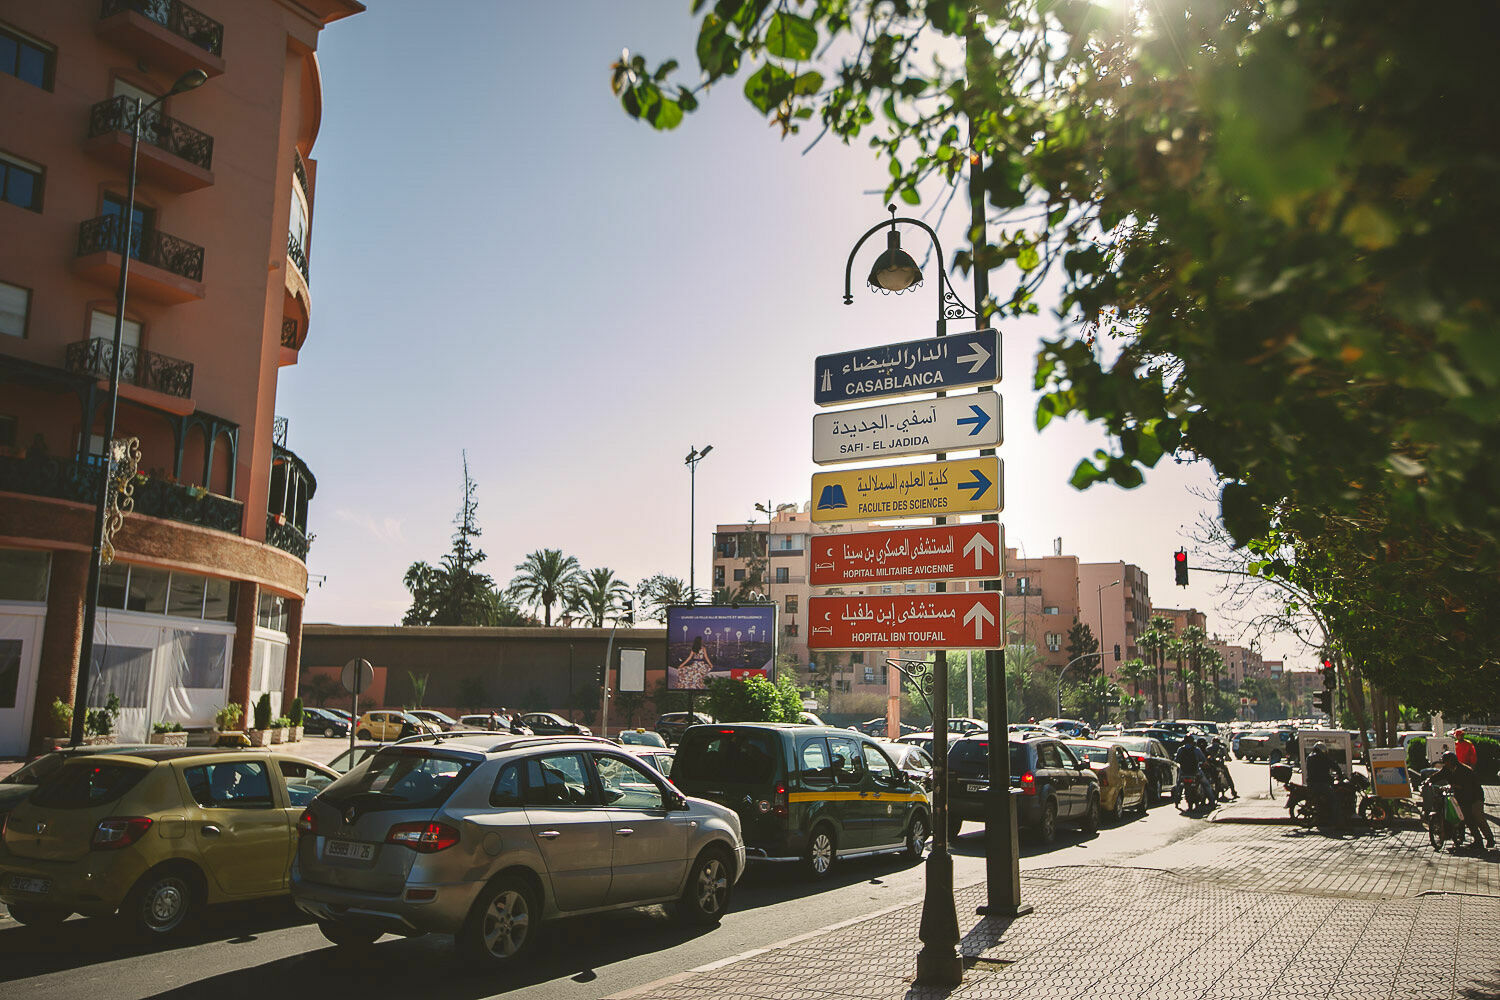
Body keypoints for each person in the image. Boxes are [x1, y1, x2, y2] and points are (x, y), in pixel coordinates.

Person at [1427, 750, 1495, 850]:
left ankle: (1490, 839)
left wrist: (1457, 786)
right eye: (1444, 762)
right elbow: (1438, 775)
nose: (1445, 764)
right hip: (1462, 796)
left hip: (1475, 796)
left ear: (1452, 761)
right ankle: (1477, 840)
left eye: (1447, 762)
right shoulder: (1447, 769)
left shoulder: (1465, 770)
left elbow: (1469, 786)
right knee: (1467, 818)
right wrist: (1428, 780)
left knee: (1477, 816)